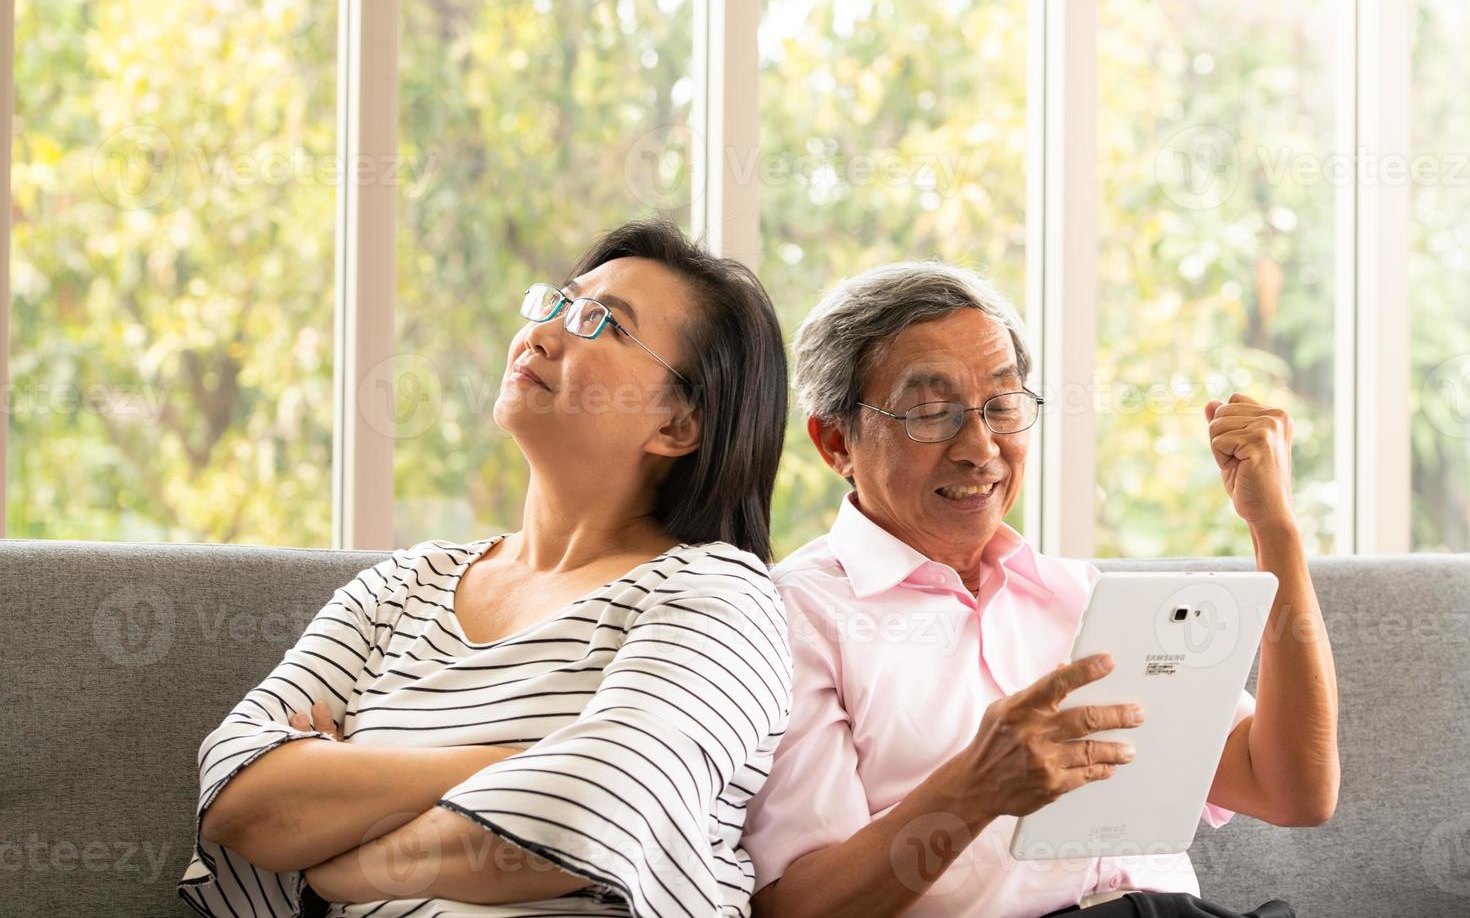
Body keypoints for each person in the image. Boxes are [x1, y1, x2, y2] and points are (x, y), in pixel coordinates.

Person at [178, 219, 794, 918]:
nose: (544, 333)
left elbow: (596, 803)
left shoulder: (717, 595)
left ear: (677, 426)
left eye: (603, 325)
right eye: (558, 302)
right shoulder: (402, 586)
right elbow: (237, 800)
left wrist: (333, 868)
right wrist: (524, 758)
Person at [742, 262, 1338, 918]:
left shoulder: (1083, 594)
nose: (980, 447)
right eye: (930, 414)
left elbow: (1294, 790)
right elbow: (798, 909)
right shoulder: (794, 616)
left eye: (1002, 407)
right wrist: (971, 792)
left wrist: (1274, 527)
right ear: (835, 442)